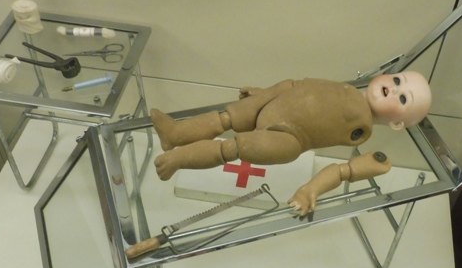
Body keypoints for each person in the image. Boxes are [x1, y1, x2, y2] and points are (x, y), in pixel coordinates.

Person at [151, 72, 432, 215]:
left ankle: (177, 159)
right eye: (398, 79)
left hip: (287, 138)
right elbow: (297, 86)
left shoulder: (361, 127)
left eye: (402, 98)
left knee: (231, 148)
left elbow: (341, 170)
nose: (394, 88)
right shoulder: (347, 88)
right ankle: (175, 134)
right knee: (224, 118)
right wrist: (266, 93)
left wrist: (310, 190)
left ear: (397, 124)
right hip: (273, 103)